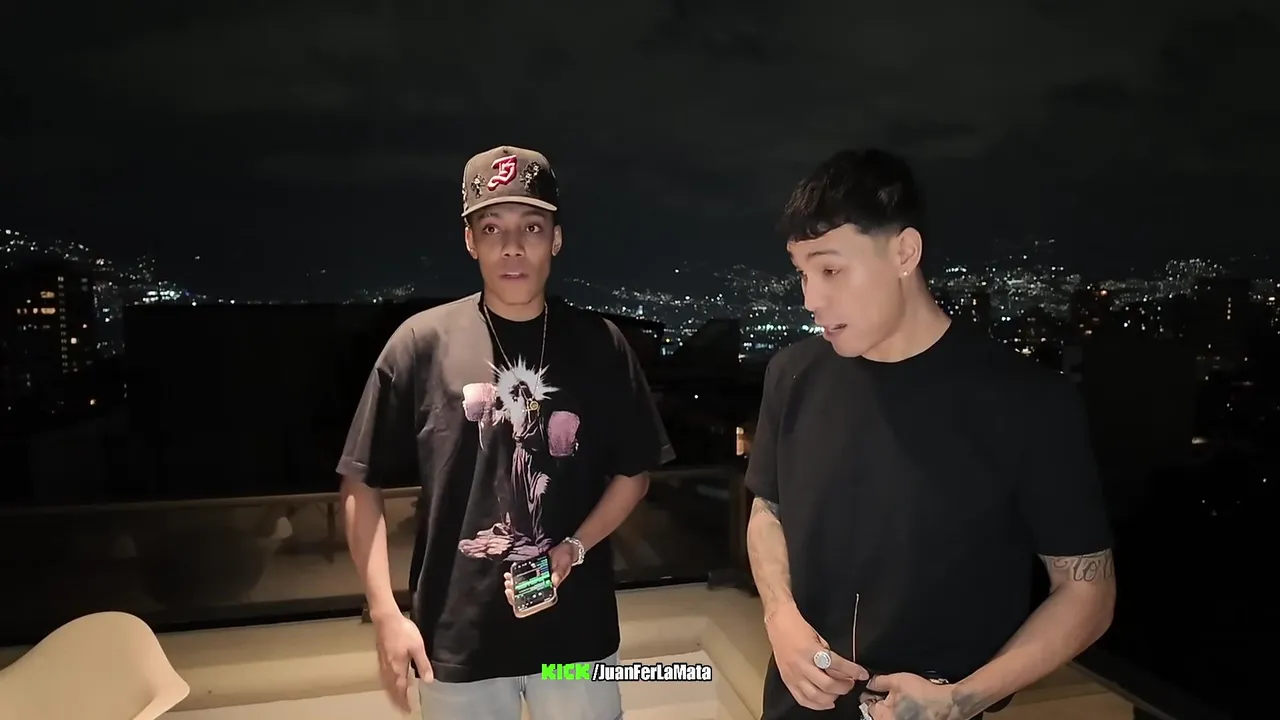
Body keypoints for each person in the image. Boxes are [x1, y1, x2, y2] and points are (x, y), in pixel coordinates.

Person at [745, 148, 1116, 720]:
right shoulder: (792, 374)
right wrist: (780, 618)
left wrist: (959, 699)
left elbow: (1088, 590)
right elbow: (767, 510)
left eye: (831, 270)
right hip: (793, 708)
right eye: (802, 273)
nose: (811, 299)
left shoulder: (1026, 400)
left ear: (904, 253)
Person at [337, 145, 674, 720]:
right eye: (492, 227)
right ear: (470, 240)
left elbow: (633, 473)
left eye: (532, 227)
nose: (512, 246)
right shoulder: (420, 343)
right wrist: (386, 613)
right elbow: (359, 480)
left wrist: (572, 549)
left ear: (556, 239)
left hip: (576, 641)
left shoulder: (600, 345)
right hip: (455, 644)